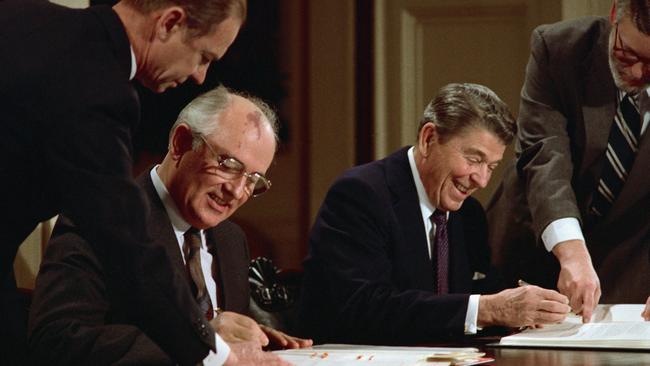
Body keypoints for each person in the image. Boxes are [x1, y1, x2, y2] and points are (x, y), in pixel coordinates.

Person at [0, 0, 248, 364]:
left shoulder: (21, 17)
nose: (200, 77)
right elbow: (124, 240)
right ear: (170, 22)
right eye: (203, 56)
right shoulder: (97, 87)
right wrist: (216, 356)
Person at [28, 87, 309, 365]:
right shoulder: (99, 219)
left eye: (253, 180)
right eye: (230, 165)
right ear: (181, 143)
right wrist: (199, 340)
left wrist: (252, 342)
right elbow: (56, 340)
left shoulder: (232, 239)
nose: (237, 191)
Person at [298, 83, 571, 344]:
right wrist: (488, 309)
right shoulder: (360, 195)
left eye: (492, 166)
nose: (482, 180)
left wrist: (528, 312)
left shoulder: (469, 216)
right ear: (429, 139)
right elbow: (364, 306)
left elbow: (481, 297)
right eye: (474, 160)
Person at [486, 0, 650, 323]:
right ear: (615, 14)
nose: (638, 73)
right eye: (628, 54)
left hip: (629, 264)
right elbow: (544, 155)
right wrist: (571, 251)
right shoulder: (560, 49)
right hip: (531, 249)